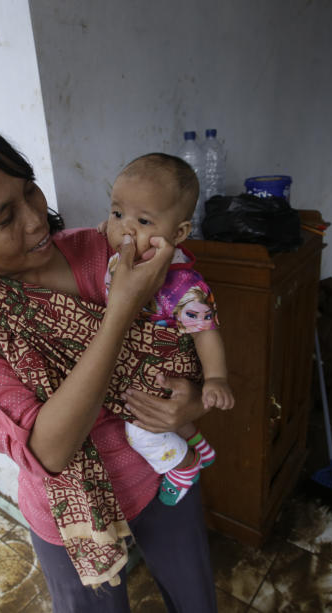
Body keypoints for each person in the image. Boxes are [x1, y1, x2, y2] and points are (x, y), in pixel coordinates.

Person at [0, 118, 218, 612]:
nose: (36, 220)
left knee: (195, 601)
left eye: (30, 192)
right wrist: (120, 311)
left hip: (163, 470)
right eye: (3, 218)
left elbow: (188, 327)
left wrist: (193, 394)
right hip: (71, 516)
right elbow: (49, 451)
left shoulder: (106, 250)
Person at [102, 154, 234, 507]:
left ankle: (184, 465)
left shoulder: (182, 288)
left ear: (178, 233)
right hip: (139, 361)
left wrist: (216, 378)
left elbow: (206, 332)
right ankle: (198, 446)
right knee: (158, 413)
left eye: (143, 220)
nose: (126, 229)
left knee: (140, 430)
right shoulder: (119, 262)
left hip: (167, 371)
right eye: (117, 214)